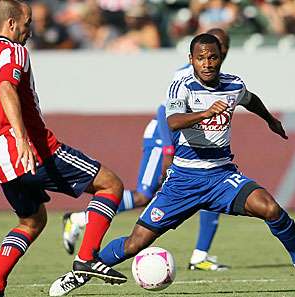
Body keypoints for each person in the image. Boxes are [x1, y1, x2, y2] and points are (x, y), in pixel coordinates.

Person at [49, 33, 295, 296]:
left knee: (270, 208)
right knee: (136, 243)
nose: (207, 64)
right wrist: (205, 112)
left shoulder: (234, 85)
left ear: (221, 57)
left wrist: (269, 119)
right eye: (201, 58)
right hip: (183, 181)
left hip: (222, 176)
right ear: (191, 59)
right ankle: (80, 273)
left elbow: (250, 99)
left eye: (213, 57)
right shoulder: (181, 87)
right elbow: (171, 121)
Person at [0, 1, 126, 297]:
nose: (30, 30)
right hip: (36, 153)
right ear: (11, 24)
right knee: (111, 185)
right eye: (27, 23)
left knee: (32, 221)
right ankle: (87, 257)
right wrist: (21, 138)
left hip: (2, 167)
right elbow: (5, 89)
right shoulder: (14, 52)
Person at [62, 28, 232, 272]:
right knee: (144, 195)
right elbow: (164, 112)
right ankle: (80, 219)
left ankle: (199, 255)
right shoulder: (187, 74)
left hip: (185, 144)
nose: (222, 50)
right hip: (164, 138)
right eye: (219, 45)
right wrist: (168, 151)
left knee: (210, 191)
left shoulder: (217, 76)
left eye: (224, 46)